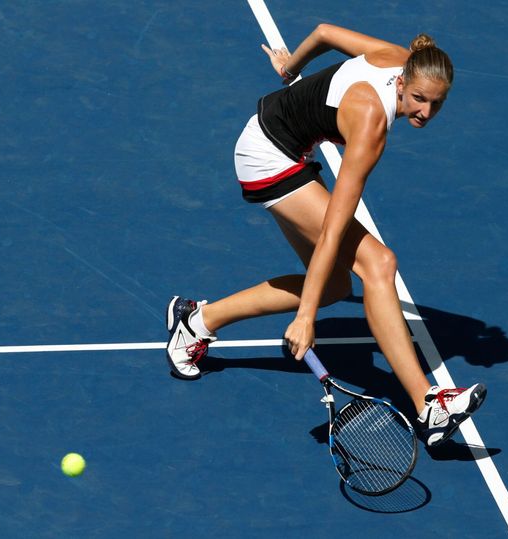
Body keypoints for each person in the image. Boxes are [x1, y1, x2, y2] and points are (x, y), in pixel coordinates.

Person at [165, 23, 486, 447]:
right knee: (378, 262)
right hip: (269, 160)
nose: (424, 112)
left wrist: (290, 68)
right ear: (404, 80)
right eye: (419, 99)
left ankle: (197, 322)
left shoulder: (393, 54)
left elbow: (323, 33)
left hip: (273, 137)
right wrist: (305, 317)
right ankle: (429, 404)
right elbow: (334, 228)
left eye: (436, 104)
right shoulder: (371, 126)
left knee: (336, 285)